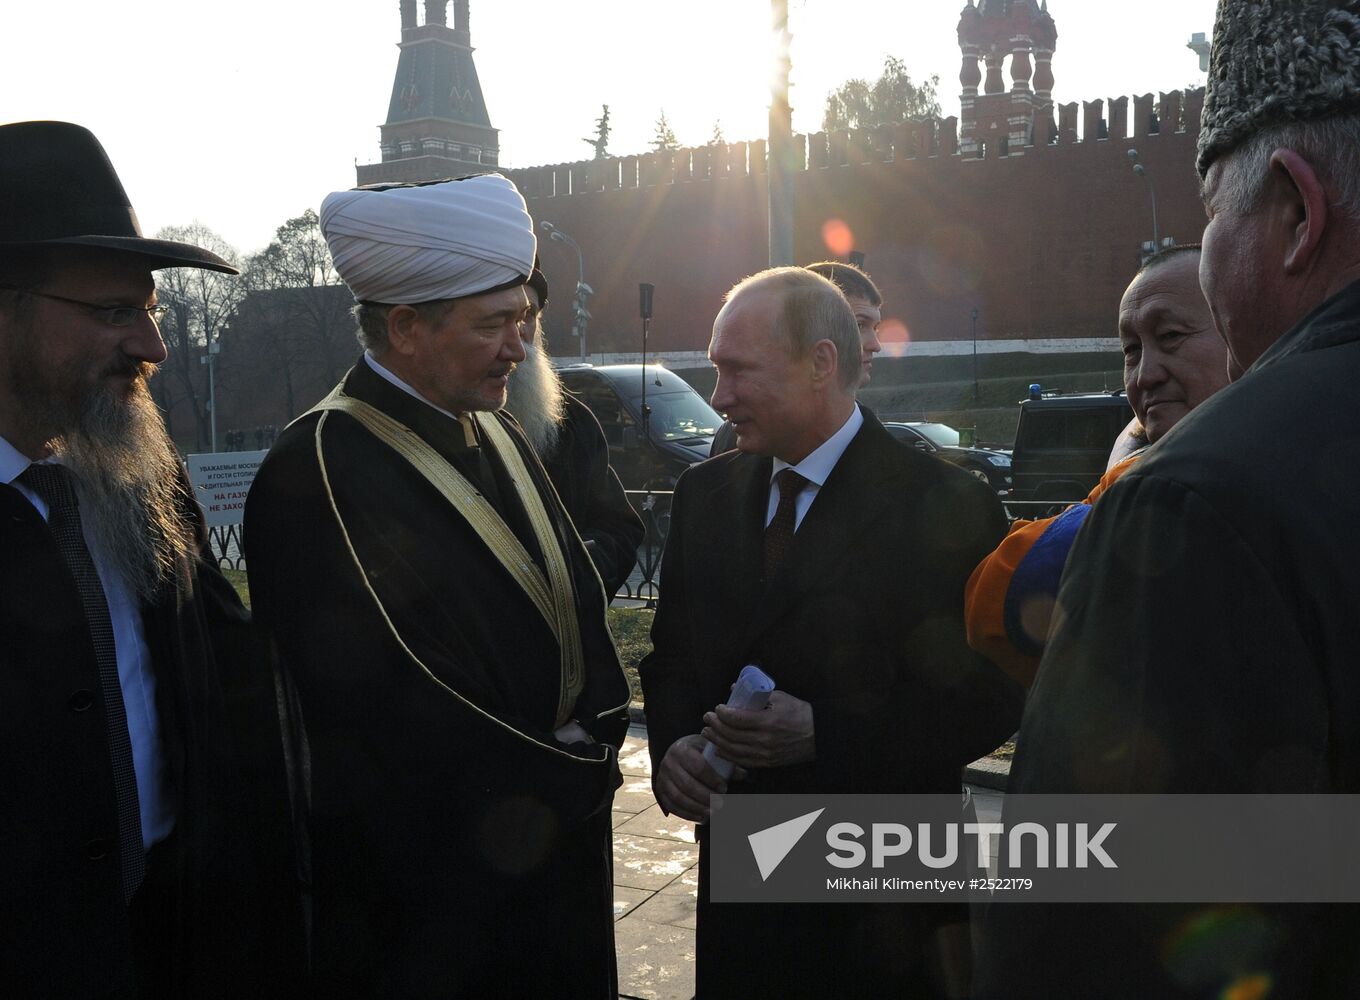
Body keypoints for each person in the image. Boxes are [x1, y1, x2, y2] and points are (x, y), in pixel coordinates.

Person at [974, 2, 1360, 995]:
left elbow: (1087, 929)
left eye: (1212, 219)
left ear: (1296, 212)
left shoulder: (1198, 502)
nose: (1144, 373)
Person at [244, 174, 631, 997]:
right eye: (493, 326)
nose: (518, 349)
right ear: (406, 327)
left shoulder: (495, 426)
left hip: (554, 836)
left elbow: (577, 595)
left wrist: (598, 725)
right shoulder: (319, 462)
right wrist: (561, 771)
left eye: (522, 323)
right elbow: (392, 692)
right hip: (437, 884)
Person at [640, 266, 1023, 998]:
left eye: (736, 372)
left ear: (820, 363)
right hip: (746, 892)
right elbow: (673, 658)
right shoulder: (705, 495)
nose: (719, 398)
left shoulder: (946, 504)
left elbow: (992, 697)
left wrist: (826, 733)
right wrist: (673, 749)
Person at [0, 121, 301, 997]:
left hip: (175, 943)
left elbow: (225, 667)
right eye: (111, 312)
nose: (152, 346)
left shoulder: (140, 475)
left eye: (150, 309)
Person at [964, 245, 1229, 685]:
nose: (1144, 375)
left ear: (1243, 329)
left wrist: (1123, 475)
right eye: (1130, 350)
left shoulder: (1189, 484)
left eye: (1171, 337)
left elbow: (993, 598)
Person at [505, 263, 643, 597]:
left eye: (529, 315)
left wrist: (583, 564)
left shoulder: (572, 422)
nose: (518, 332)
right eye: (503, 316)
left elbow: (619, 529)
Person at [710, 259, 882, 455]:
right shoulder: (729, 449)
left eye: (875, 328)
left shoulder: (913, 478)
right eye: (859, 325)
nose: (875, 345)